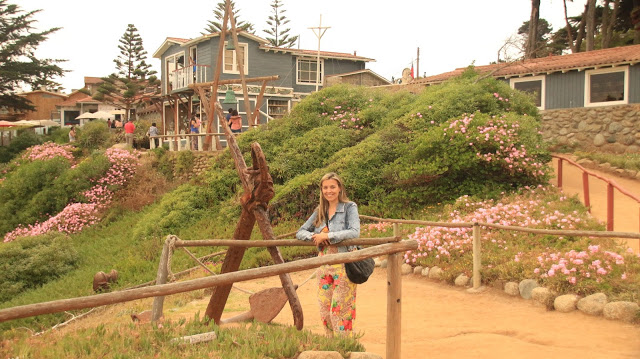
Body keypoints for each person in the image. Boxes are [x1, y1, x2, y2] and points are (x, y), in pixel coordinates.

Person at [296, 172, 360, 336]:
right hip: (323, 265)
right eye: (325, 187)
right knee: (324, 311)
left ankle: (344, 346)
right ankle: (331, 347)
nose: (329, 191)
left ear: (339, 188)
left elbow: (354, 232)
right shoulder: (320, 210)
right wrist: (315, 237)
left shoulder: (349, 207)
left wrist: (329, 236)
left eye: (332, 187)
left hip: (344, 263)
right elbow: (300, 232)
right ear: (321, 190)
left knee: (340, 310)